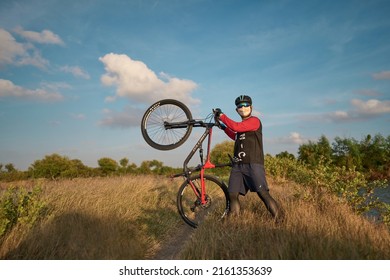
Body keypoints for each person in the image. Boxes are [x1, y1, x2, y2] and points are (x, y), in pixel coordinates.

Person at [214, 95, 283, 222]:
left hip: (253, 164)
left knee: (262, 193)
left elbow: (236, 127)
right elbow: (235, 135)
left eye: (246, 105)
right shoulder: (241, 127)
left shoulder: (254, 121)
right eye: (240, 106)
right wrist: (223, 127)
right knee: (232, 194)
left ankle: (281, 221)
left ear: (251, 107)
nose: (243, 108)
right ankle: (234, 223)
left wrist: (222, 116)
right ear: (237, 110)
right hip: (238, 166)